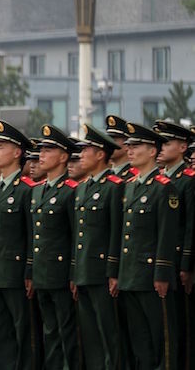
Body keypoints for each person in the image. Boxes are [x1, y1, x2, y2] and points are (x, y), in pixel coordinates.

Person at [117, 122, 180, 370]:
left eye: (136, 146)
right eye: (129, 146)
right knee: (139, 340)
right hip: (130, 274)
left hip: (152, 275)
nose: (130, 150)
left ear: (153, 150)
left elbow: (167, 234)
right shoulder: (130, 186)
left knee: (160, 338)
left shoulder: (164, 188)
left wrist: (162, 273)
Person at [0, 121, 37, 370]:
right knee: (0, 331)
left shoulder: (26, 190)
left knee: (22, 331)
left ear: (17, 152)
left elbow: (31, 234)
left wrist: (29, 270)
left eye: (1, 147)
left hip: (16, 273)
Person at [71, 125, 124, 370]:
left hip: (102, 273)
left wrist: (113, 271)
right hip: (84, 272)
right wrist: (75, 272)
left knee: (109, 334)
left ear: (101, 154)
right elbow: (78, 235)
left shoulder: (114, 186)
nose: (81, 155)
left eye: (86, 150)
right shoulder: (82, 187)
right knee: (90, 336)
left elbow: (116, 231)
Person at [28, 126, 79, 370]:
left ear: (63, 157)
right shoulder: (38, 191)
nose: (41, 155)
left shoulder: (70, 191)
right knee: (49, 332)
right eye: (41, 150)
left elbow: (75, 236)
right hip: (42, 273)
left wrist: (73, 273)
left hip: (61, 274)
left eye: (48, 150)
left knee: (67, 331)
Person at [154, 119, 195, 370]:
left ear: (182, 147)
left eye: (166, 143)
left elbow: (190, 224)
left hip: (179, 263)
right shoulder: (159, 180)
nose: (161, 148)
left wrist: (187, 264)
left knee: (183, 325)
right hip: (163, 263)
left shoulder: (188, 180)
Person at [106, 115, 134, 181]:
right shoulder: (106, 174)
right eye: (108, 140)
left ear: (126, 145)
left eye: (114, 141)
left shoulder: (132, 176)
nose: (109, 144)